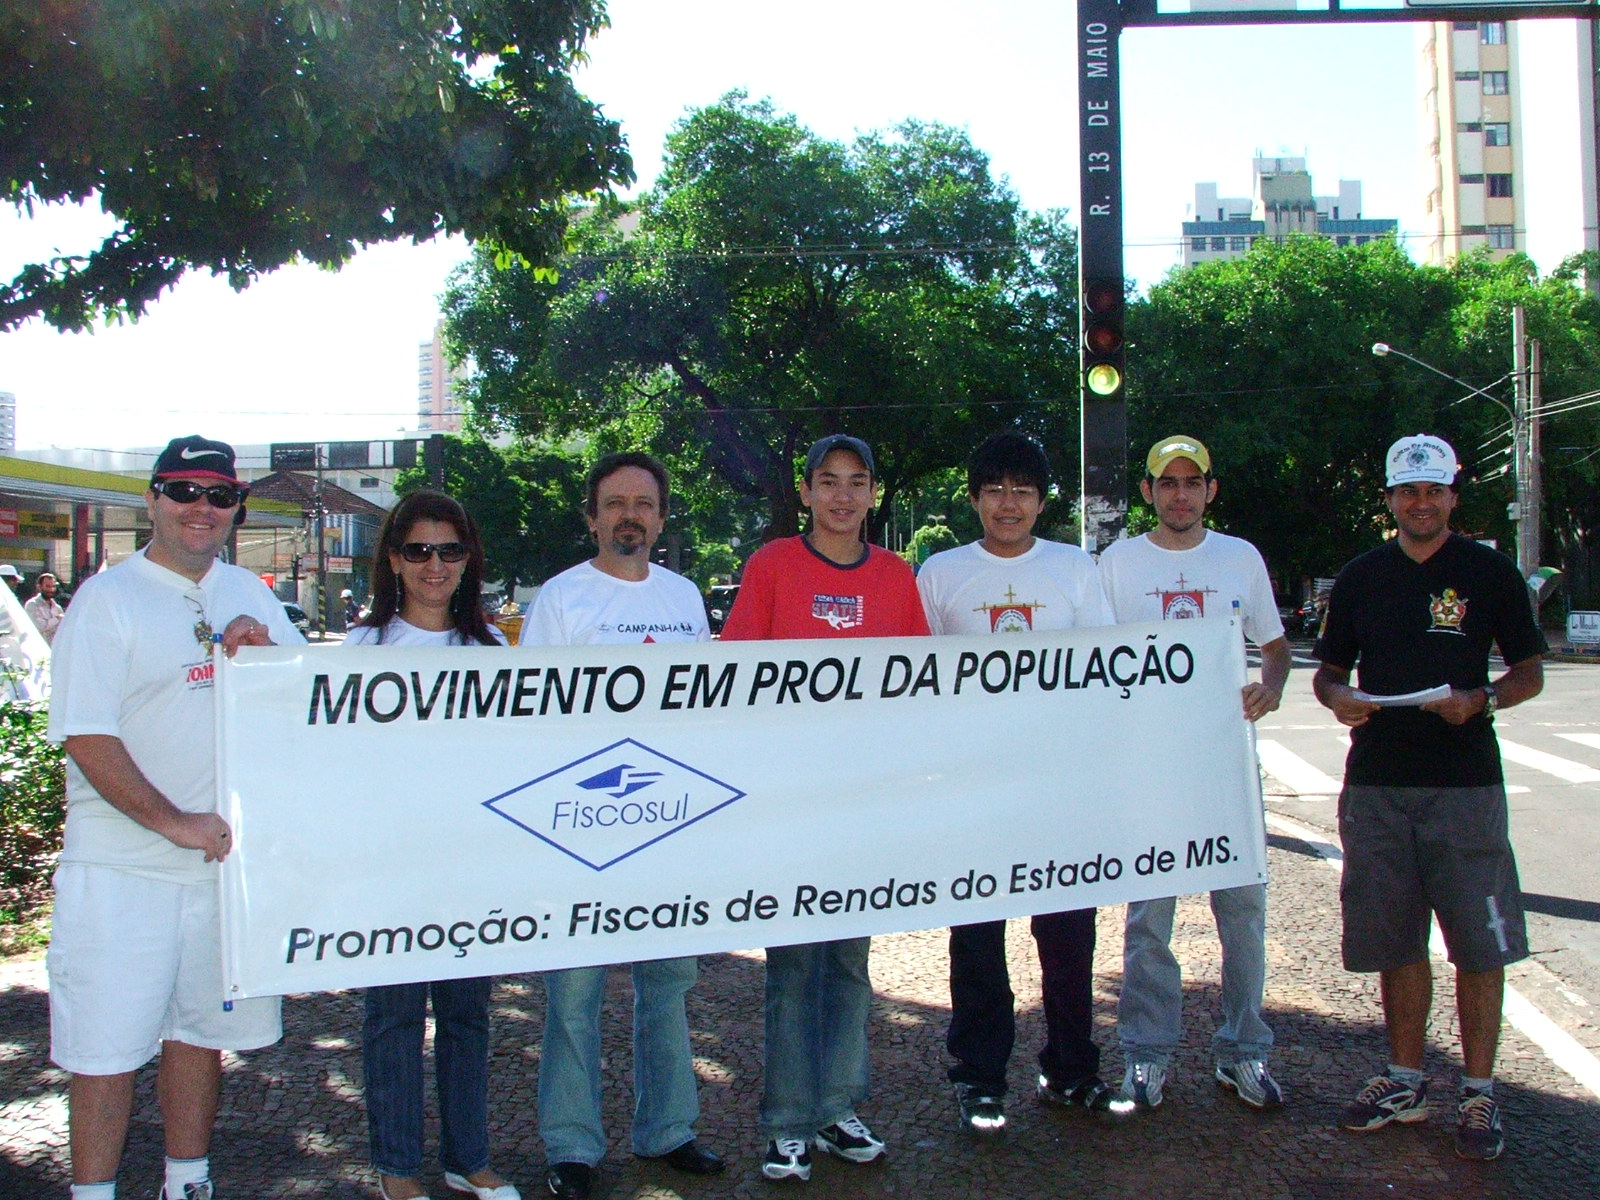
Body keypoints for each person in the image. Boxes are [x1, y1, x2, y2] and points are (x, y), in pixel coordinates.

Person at [45, 435, 304, 1200]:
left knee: (198, 1036)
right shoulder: (107, 599)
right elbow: (88, 736)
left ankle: (188, 1182)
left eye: (219, 495)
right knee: (104, 1052)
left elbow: (310, 706)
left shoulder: (251, 592)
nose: (202, 508)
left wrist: (266, 657)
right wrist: (174, 822)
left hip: (222, 874)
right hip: (121, 872)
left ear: (236, 509)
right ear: (152, 498)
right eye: (184, 491)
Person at [1313, 434, 1545, 1162]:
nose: (1421, 503)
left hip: (1465, 786)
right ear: (1388, 499)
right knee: (1395, 940)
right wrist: (1339, 698)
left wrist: (1484, 699)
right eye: (1408, 491)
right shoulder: (1361, 577)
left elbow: (1530, 670)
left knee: (1479, 942)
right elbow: (1328, 672)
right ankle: (1406, 1080)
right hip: (1378, 785)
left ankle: (1479, 1090)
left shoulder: (1489, 572)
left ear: (1451, 495)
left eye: (1433, 490)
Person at [721, 434, 931, 1182]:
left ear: (873, 494)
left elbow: (920, 683)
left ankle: (837, 1108)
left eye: (857, 482)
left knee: (848, 964)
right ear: (806, 492)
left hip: (863, 807)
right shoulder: (772, 566)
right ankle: (786, 1125)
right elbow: (734, 674)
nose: (843, 496)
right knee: (793, 969)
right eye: (829, 482)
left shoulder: (896, 576)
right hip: (789, 804)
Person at [518, 452, 724, 1200]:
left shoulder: (684, 597)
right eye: (614, 503)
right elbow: (533, 711)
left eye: (643, 503)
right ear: (592, 517)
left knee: (668, 982)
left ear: (662, 518)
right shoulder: (560, 599)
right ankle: (572, 1145)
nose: (628, 515)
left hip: (668, 819)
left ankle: (668, 1128)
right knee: (575, 993)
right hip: (582, 821)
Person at [915, 430, 1116, 1136]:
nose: (1009, 503)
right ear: (974, 498)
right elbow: (915, 679)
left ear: (1041, 501)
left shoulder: (1075, 569)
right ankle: (978, 1076)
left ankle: (1071, 1069)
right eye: (995, 489)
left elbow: (1105, 669)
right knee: (976, 937)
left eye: (1023, 491)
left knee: (1069, 936)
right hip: (973, 787)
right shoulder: (939, 574)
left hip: (1060, 784)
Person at [1098, 435, 1291, 1113]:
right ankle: (1146, 1055)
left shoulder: (1240, 558)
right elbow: (1093, 659)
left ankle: (1244, 1050)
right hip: (1150, 768)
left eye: (1192, 482)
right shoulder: (1118, 563)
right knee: (1149, 920)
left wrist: (1271, 687)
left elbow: (1275, 648)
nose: (1180, 494)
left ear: (1211, 490)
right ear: (1148, 492)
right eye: (1167, 482)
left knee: (1243, 914)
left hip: (1226, 767)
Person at [345, 490, 520, 1200]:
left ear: (468, 559)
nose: (434, 564)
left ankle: (467, 1158)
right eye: (418, 550)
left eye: (449, 550)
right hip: (389, 866)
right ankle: (396, 1170)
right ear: (393, 559)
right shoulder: (363, 650)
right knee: (392, 1018)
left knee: (467, 1017)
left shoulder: (490, 649)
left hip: (468, 866)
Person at [25, 570, 67, 643]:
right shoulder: (32, 605)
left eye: (53, 586)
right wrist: (57, 619)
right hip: (38, 646)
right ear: (39, 587)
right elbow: (39, 626)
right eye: (47, 586)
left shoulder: (57, 608)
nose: (51, 589)